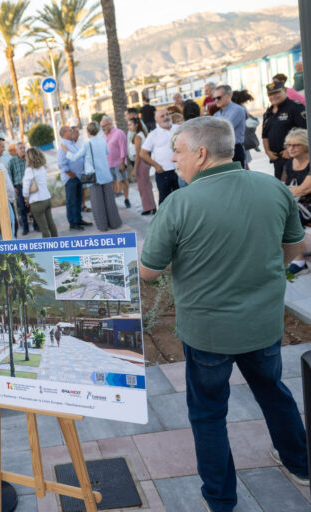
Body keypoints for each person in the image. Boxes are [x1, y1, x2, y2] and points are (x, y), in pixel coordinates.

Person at [140, 116, 309, 512]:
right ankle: (300, 465)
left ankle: (220, 500)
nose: (174, 161)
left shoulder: (179, 203)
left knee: (208, 414)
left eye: (177, 152)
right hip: (263, 324)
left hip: (207, 332)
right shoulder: (272, 187)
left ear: (200, 154)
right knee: (274, 393)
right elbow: (293, 248)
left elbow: (149, 272)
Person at [62, 122, 122, 232]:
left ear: (88, 132)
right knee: (109, 201)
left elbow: (75, 157)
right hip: (105, 174)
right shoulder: (103, 140)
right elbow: (107, 152)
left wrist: (66, 151)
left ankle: (103, 226)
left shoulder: (87, 144)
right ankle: (114, 223)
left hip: (94, 177)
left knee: (97, 203)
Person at [262, 81, 307, 180]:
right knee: (281, 187)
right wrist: (267, 151)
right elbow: (264, 135)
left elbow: (305, 131)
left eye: (276, 92)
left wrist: (290, 150)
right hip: (276, 159)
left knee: (293, 188)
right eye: (270, 94)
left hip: (293, 158)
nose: (273, 96)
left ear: (285, 91)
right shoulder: (268, 112)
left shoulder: (295, 108)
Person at [281, 128, 311, 275]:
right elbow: (281, 186)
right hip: (296, 202)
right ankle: (296, 259)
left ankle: (298, 261)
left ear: (305, 144)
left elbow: (305, 189)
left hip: (308, 203)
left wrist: (283, 194)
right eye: (288, 145)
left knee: (285, 216)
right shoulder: (289, 164)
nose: (290, 149)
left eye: (295, 145)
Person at [141, 109, 180, 204]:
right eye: (162, 116)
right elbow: (143, 153)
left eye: (167, 114)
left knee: (181, 199)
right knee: (165, 201)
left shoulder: (179, 129)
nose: (166, 117)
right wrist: (156, 166)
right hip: (163, 173)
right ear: (157, 121)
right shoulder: (153, 135)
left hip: (180, 170)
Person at [57, 126, 90, 230]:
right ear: (64, 133)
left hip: (78, 176)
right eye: (70, 131)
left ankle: (78, 219)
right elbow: (61, 163)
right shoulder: (63, 145)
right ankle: (73, 223)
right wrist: (70, 173)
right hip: (71, 178)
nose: (72, 132)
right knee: (72, 201)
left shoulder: (72, 143)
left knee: (78, 199)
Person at [22, 147, 57, 238]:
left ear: (28, 157)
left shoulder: (29, 170)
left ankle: (48, 250)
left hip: (37, 202)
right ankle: (58, 243)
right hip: (47, 199)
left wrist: (26, 199)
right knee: (51, 223)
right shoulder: (42, 168)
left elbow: (25, 189)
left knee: (44, 228)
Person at [127, 117, 156, 215]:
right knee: (146, 185)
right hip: (142, 162)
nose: (129, 127)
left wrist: (134, 169)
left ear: (136, 125)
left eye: (130, 124)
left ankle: (148, 208)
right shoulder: (140, 134)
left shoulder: (138, 137)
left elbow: (138, 154)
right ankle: (151, 206)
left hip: (140, 162)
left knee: (143, 186)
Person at [212, 85, 247, 168]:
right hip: (221, 150)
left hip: (235, 149)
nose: (216, 101)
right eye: (214, 99)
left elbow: (224, 128)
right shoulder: (216, 114)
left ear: (229, 95)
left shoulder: (237, 110)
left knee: (238, 179)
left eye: (219, 98)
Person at [101, 116, 130, 208]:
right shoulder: (103, 136)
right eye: (102, 127)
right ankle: (114, 199)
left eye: (104, 126)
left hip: (118, 163)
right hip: (108, 164)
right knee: (112, 182)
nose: (103, 128)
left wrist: (122, 162)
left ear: (110, 124)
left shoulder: (119, 133)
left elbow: (123, 148)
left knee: (123, 180)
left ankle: (126, 199)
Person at [7, 142, 31, 235]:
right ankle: (25, 228)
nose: (22, 150)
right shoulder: (12, 161)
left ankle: (36, 226)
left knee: (32, 207)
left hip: (29, 187)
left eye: (24, 148)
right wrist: (13, 187)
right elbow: (9, 175)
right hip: (19, 187)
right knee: (22, 209)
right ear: (16, 150)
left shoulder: (28, 159)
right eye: (20, 148)